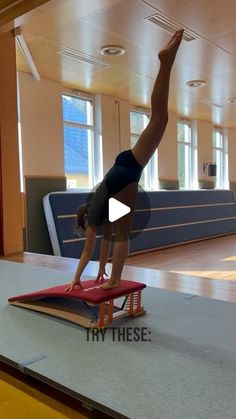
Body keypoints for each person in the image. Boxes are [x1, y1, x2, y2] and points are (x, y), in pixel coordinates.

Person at [65, 29, 184, 292]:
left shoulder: (94, 220)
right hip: (121, 170)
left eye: (84, 231)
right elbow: (103, 248)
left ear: (85, 223)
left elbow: (87, 252)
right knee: (159, 118)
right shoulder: (100, 213)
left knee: (159, 118)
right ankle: (113, 276)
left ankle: (165, 62)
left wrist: (75, 278)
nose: (87, 236)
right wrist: (100, 269)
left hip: (123, 176)